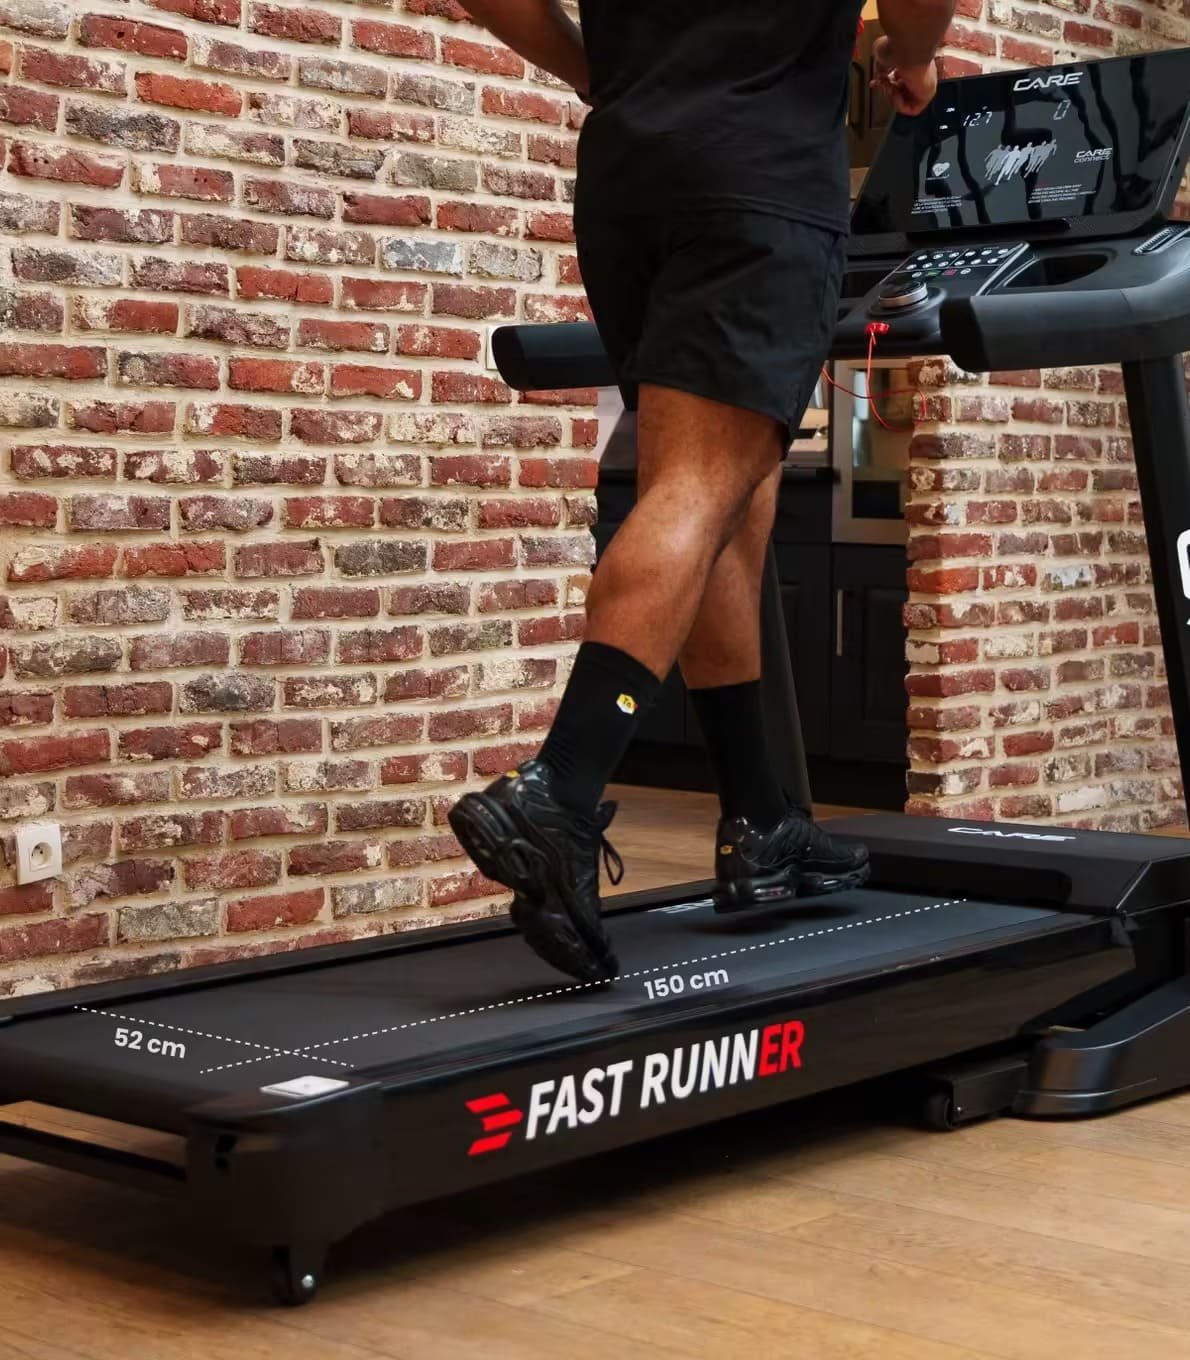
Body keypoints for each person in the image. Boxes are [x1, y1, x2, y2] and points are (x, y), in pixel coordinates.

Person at [449, 0, 958, 983]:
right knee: (695, 488)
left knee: (725, 494)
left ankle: (760, 818)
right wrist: (912, 55)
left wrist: (601, 74)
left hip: (629, 178)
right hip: (757, 176)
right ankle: (558, 793)